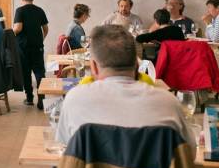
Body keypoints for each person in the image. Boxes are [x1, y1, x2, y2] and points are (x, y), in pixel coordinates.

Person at [55, 25, 196, 150]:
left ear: (93, 67)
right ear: (137, 64)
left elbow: (64, 147)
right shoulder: (168, 103)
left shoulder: (75, 99)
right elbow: (189, 153)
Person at [12, 0, 49, 109]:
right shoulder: (39, 10)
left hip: (23, 47)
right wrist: (41, 40)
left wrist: (11, 32)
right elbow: (45, 29)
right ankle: (42, 99)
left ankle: (29, 98)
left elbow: (18, 28)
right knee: (39, 72)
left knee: (26, 72)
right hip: (37, 47)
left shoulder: (20, 11)